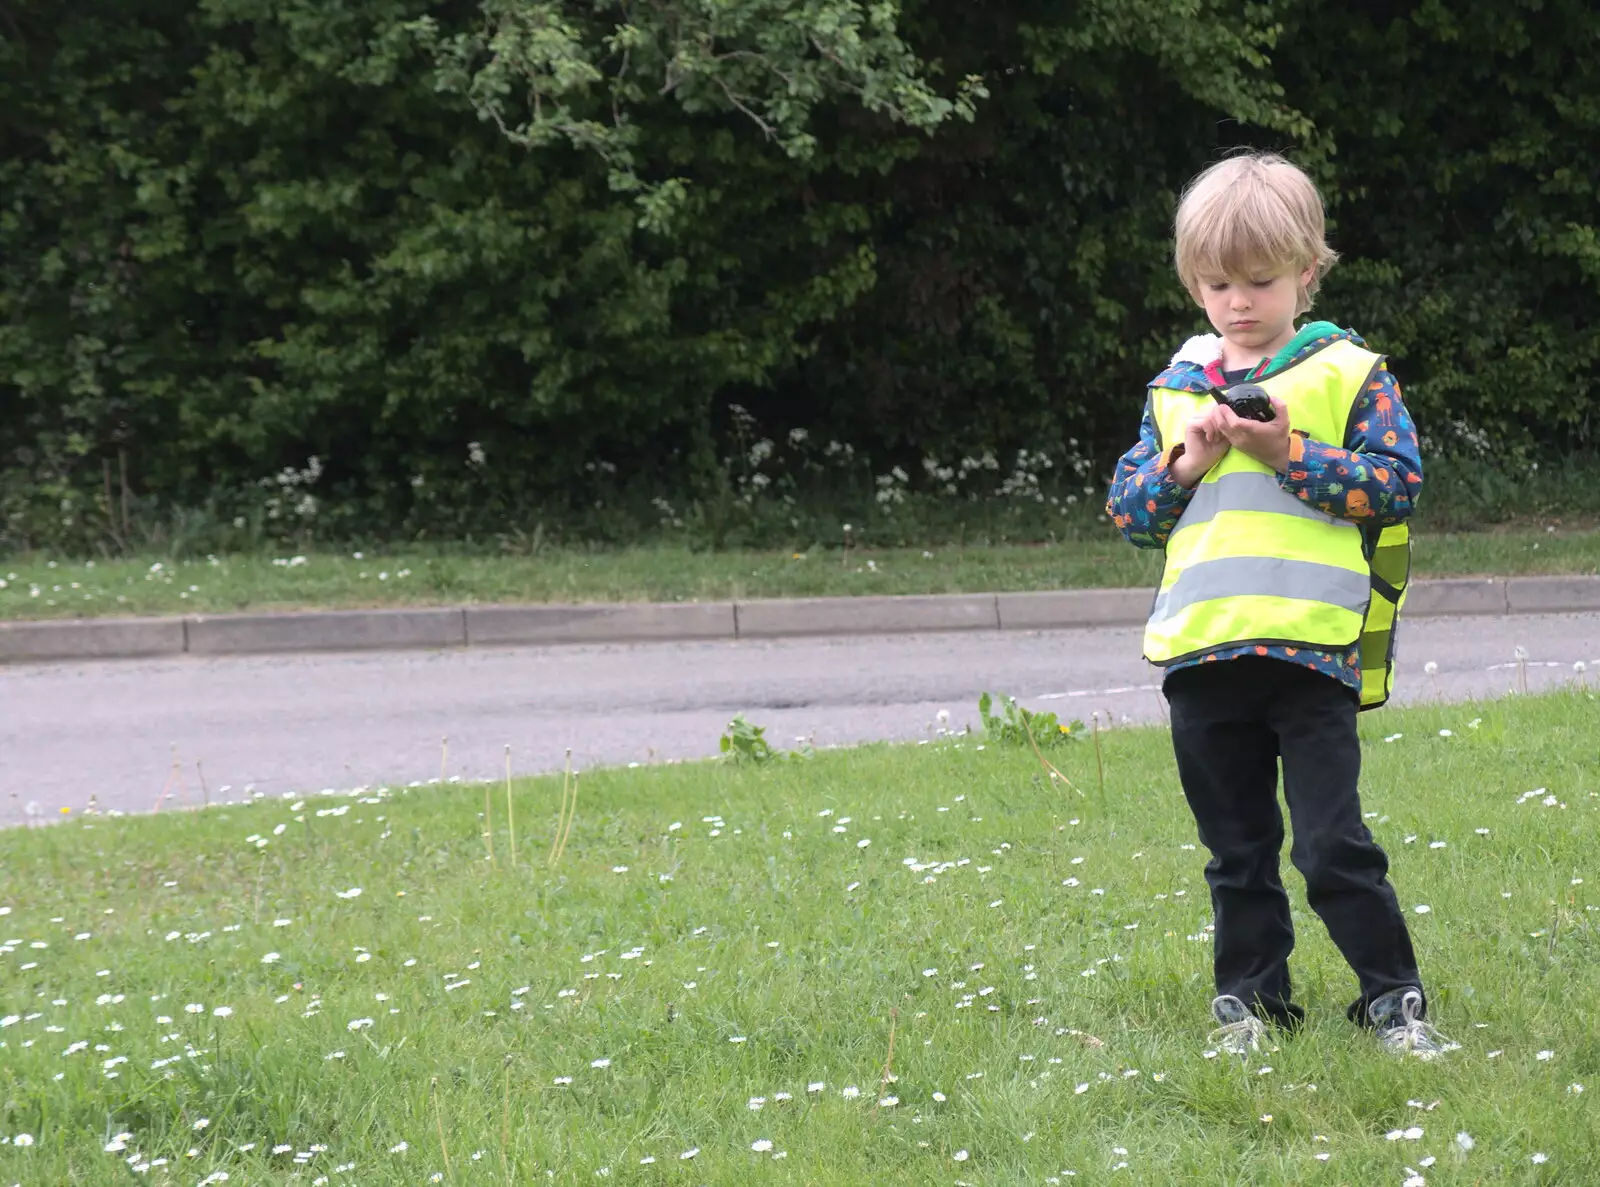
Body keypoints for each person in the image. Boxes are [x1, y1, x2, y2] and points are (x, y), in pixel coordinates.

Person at [1105, 151, 1457, 1059]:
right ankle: (1252, 1007)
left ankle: (1394, 1002)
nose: (1236, 303)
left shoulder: (1349, 372)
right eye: (1215, 282)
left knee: (1332, 843)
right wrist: (1186, 461)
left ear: (1308, 271)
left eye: (1259, 281)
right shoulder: (1178, 385)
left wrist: (1283, 452)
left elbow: (1395, 486)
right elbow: (1131, 512)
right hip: (1203, 659)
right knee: (1237, 853)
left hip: (1312, 657)